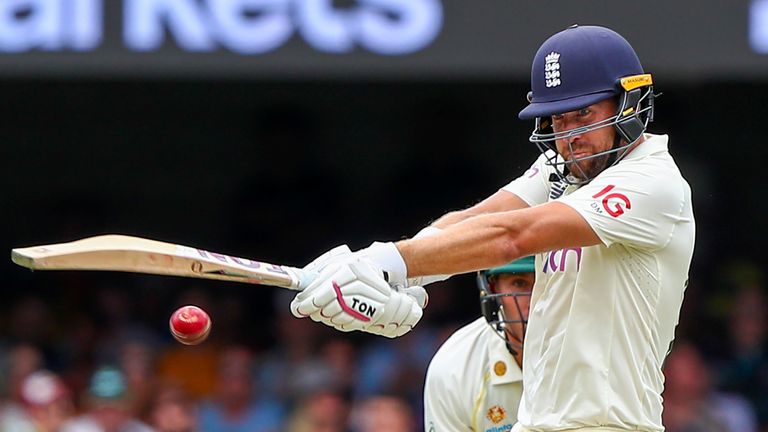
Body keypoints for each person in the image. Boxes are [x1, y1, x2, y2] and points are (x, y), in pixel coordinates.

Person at [291, 24, 695, 431]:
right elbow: (475, 220)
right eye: (557, 119)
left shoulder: (653, 182)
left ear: (628, 103)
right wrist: (383, 271)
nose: (569, 136)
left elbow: (510, 236)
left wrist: (393, 262)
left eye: (584, 114)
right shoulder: (566, 172)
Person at [424, 257, 534, 432]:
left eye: (548, 283)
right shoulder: (453, 370)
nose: (536, 301)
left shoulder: (592, 352)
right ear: (492, 289)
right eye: (519, 283)